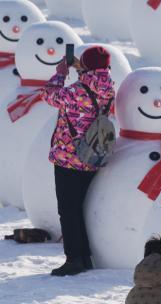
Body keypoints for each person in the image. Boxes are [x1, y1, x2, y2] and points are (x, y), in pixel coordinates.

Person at [41, 46, 115, 276]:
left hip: (68, 157)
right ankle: (84, 257)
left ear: (86, 66)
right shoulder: (109, 87)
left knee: (68, 210)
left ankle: (75, 259)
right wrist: (81, 69)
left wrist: (61, 72)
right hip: (92, 154)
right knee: (77, 208)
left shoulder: (76, 90)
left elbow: (48, 94)